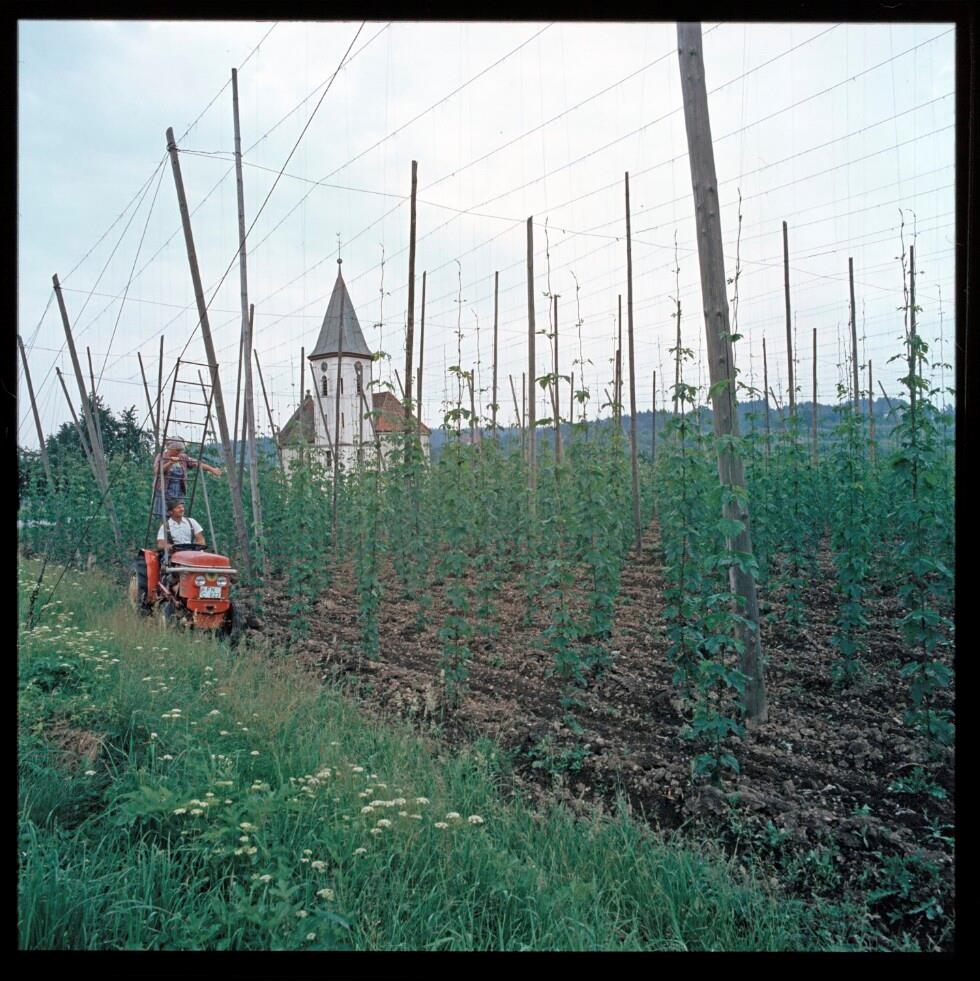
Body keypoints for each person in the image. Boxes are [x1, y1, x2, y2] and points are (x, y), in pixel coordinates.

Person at [152, 438, 223, 518]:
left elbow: (197, 463)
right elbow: (156, 471)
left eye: (180, 450)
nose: (179, 452)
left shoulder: (183, 457)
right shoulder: (161, 456)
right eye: (177, 450)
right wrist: (170, 463)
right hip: (163, 491)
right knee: (163, 516)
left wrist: (212, 469)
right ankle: (164, 526)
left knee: (177, 514)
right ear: (170, 449)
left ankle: (176, 526)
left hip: (178, 491)